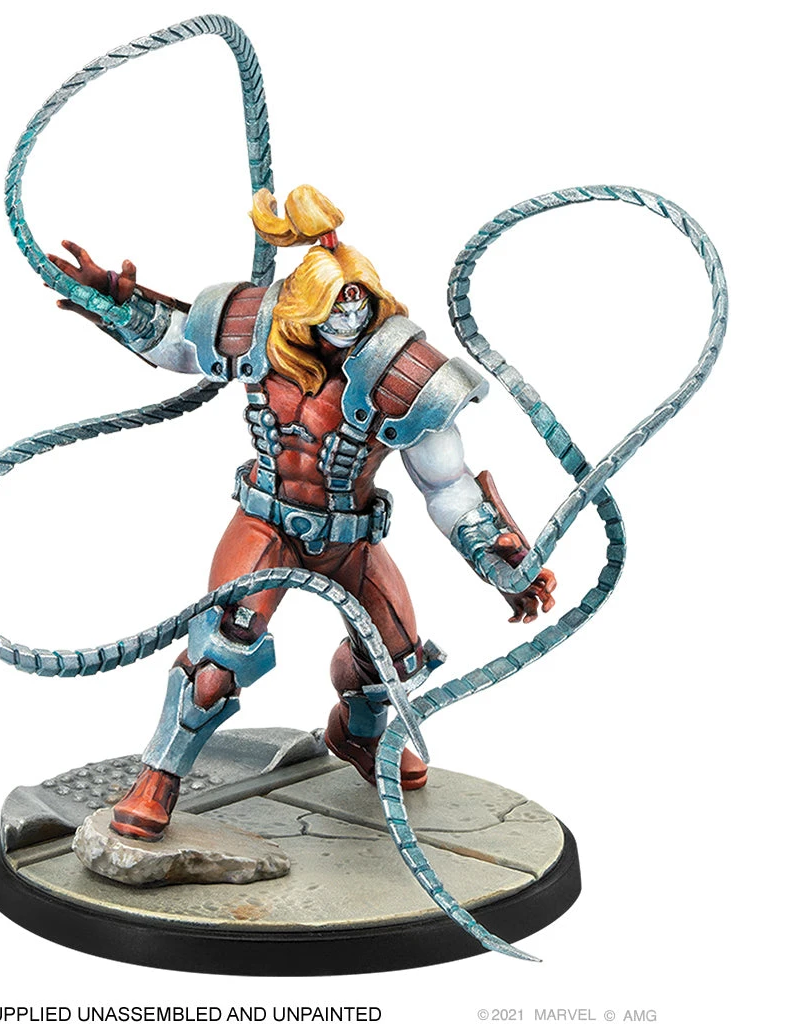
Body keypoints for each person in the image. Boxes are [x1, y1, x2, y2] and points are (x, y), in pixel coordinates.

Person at [48, 185, 556, 841]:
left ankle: (357, 736)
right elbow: (177, 341)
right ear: (304, 307)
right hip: (267, 524)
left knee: (396, 661)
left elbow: (448, 484)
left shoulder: (404, 376)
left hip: (350, 537)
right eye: (337, 303)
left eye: (360, 301)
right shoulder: (255, 332)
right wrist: (114, 303)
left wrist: (498, 557)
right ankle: (159, 776)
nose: (351, 315)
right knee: (221, 649)